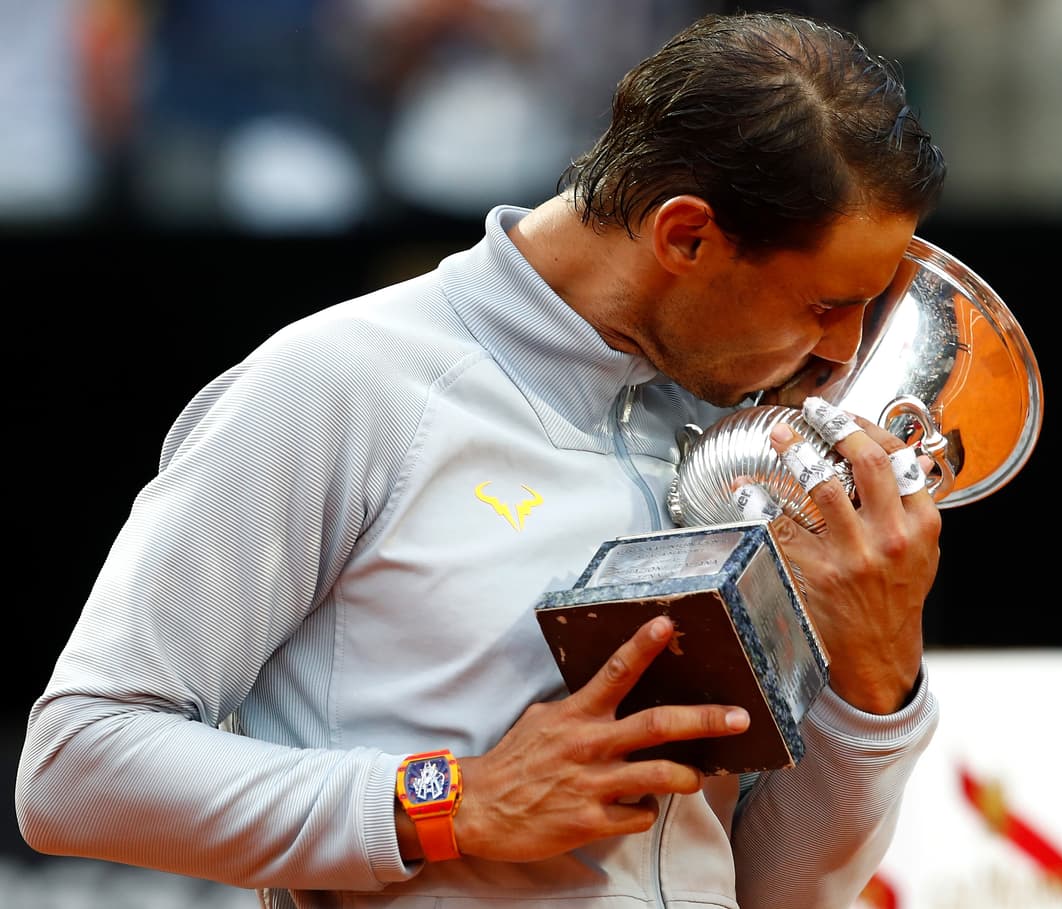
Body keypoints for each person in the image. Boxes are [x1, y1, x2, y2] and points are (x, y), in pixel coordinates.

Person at [15, 10, 947, 909]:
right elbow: (76, 767)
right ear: (686, 235)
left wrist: (879, 674)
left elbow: (778, 892)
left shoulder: (742, 450)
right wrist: (449, 801)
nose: (841, 354)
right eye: (826, 304)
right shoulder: (342, 382)